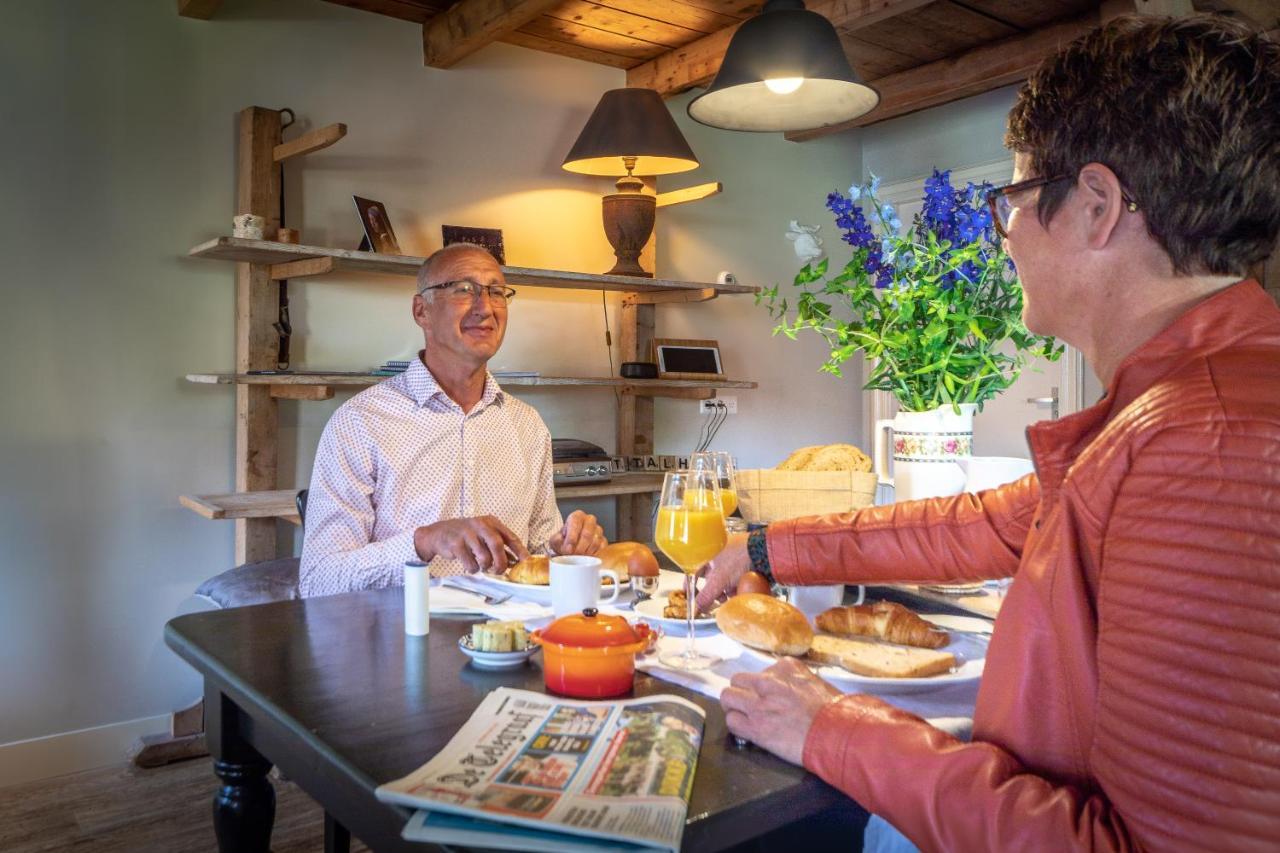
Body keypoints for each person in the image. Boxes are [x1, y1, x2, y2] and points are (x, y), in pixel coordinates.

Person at [697, 15, 1280, 851]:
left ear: (1097, 205)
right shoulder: (1173, 404)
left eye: (1010, 197)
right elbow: (974, 521)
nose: (1003, 231)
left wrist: (834, 726)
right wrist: (765, 549)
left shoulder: (1209, 443)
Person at [300, 243, 605, 597]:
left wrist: (568, 551)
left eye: (496, 292)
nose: (485, 307)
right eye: (464, 290)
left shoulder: (528, 425)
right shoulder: (361, 423)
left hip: (508, 639)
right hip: (400, 637)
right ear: (421, 311)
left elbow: (536, 554)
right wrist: (423, 542)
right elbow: (319, 579)